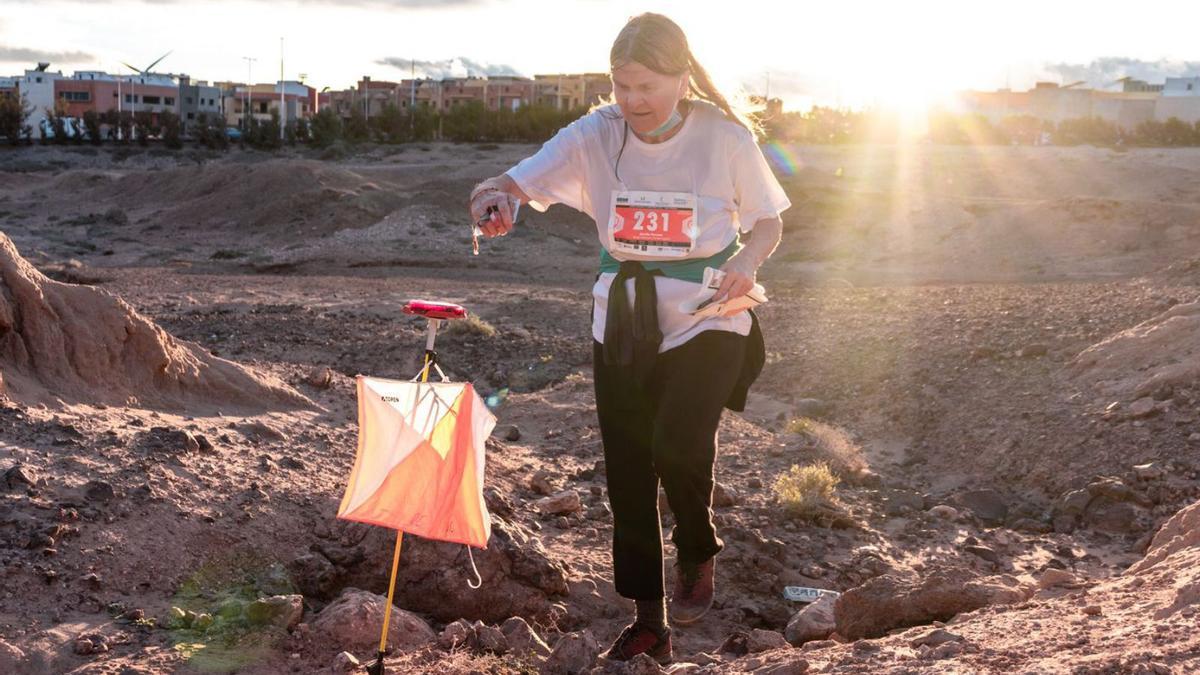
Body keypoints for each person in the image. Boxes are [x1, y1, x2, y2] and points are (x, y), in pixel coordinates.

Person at [467, 12, 790, 664]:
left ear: (680, 77)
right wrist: (493, 196)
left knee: (678, 440)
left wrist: (747, 263)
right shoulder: (597, 132)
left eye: (645, 85)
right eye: (622, 86)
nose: (632, 100)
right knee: (628, 475)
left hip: (710, 311)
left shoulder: (723, 137)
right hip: (621, 321)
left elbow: (767, 224)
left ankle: (698, 545)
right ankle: (651, 622)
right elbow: (518, 181)